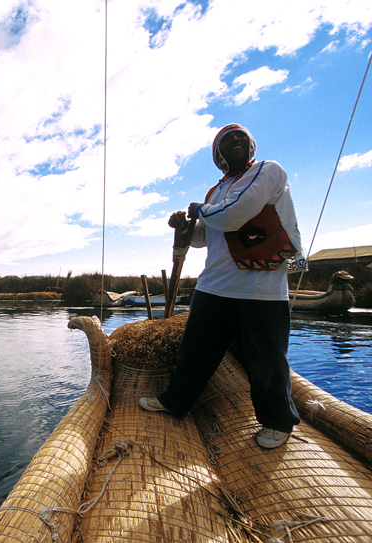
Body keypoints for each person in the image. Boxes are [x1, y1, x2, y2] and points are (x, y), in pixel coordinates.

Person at [139, 123, 307, 449]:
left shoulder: (267, 171)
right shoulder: (216, 192)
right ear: (217, 156)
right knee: (194, 352)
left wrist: (199, 211)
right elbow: (208, 236)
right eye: (225, 140)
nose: (233, 141)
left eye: (239, 137)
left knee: (266, 361)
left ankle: (277, 421)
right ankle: (176, 401)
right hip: (214, 285)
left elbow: (236, 215)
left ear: (251, 146)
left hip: (260, 288)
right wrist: (187, 228)